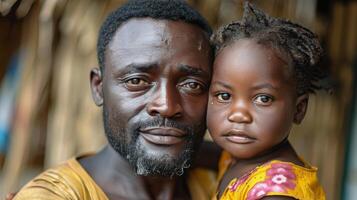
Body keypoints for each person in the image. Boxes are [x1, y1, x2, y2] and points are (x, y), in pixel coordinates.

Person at [12, 0, 218, 199]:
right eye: (137, 81)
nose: (166, 105)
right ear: (98, 88)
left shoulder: (223, 185)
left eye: (192, 85)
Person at [207, 2, 328, 200]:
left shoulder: (276, 194)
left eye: (263, 99)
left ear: (299, 109)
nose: (238, 114)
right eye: (224, 96)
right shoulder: (235, 156)